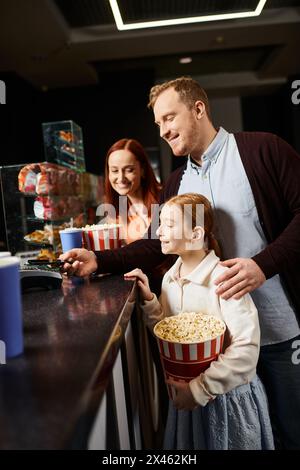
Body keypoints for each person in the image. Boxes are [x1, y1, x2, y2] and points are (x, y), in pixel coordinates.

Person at [60, 76, 300, 449]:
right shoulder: (176, 183)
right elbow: (156, 245)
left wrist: (262, 265)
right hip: (216, 355)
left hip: (280, 333)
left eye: (169, 118)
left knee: (291, 432)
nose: (164, 130)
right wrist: (99, 259)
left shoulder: (264, 150)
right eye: (159, 123)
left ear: (199, 109)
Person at [124, 193, 274, 450]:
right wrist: (150, 299)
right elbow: (172, 332)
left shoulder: (224, 279)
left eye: (169, 224)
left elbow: (247, 350)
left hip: (227, 400)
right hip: (187, 402)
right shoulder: (171, 278)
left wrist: (199, 390)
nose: (159, 231)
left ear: (195, 235)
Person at [102, 138, 161, 244]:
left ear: (142, 170)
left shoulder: (165, 198)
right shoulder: (115, 209)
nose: (121, 178)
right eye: (114, 171)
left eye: (129, 170)